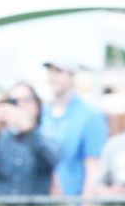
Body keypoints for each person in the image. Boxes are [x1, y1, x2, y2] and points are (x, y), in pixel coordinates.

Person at [0, 84, 60, 200]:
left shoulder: (47, 135)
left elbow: (52, 161)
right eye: (14, 101)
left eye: (26, 100)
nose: (20, 106)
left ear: (37, 106)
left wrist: (28, 130)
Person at [41, 57, 108, 198]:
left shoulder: (90, 115)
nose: (53, 77)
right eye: (50, 71)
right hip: (42, 205)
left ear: (72, 74)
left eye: (58, 71)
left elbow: (93, 167)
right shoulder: (41, 113)